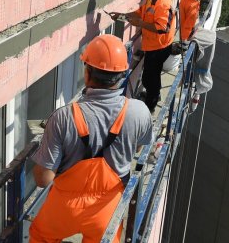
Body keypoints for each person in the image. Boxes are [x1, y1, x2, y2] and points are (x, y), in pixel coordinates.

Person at [29, 34, 153, 243]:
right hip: (108, 207)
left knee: (41, 237)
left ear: (87, 73)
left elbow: (43, 180)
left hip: (65, 208)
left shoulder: (63, 117)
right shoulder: (139, 112)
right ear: (123, 75)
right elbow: (139, 149)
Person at [124, 0, 176, 112]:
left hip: (160, 47)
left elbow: (162, 28)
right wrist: (124, 16)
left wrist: (140, 23)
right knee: (150, 76)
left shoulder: (162, 2)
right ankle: (153, 95)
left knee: (150, 78)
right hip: (153, 45)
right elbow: (141, 12)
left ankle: (150, 105)